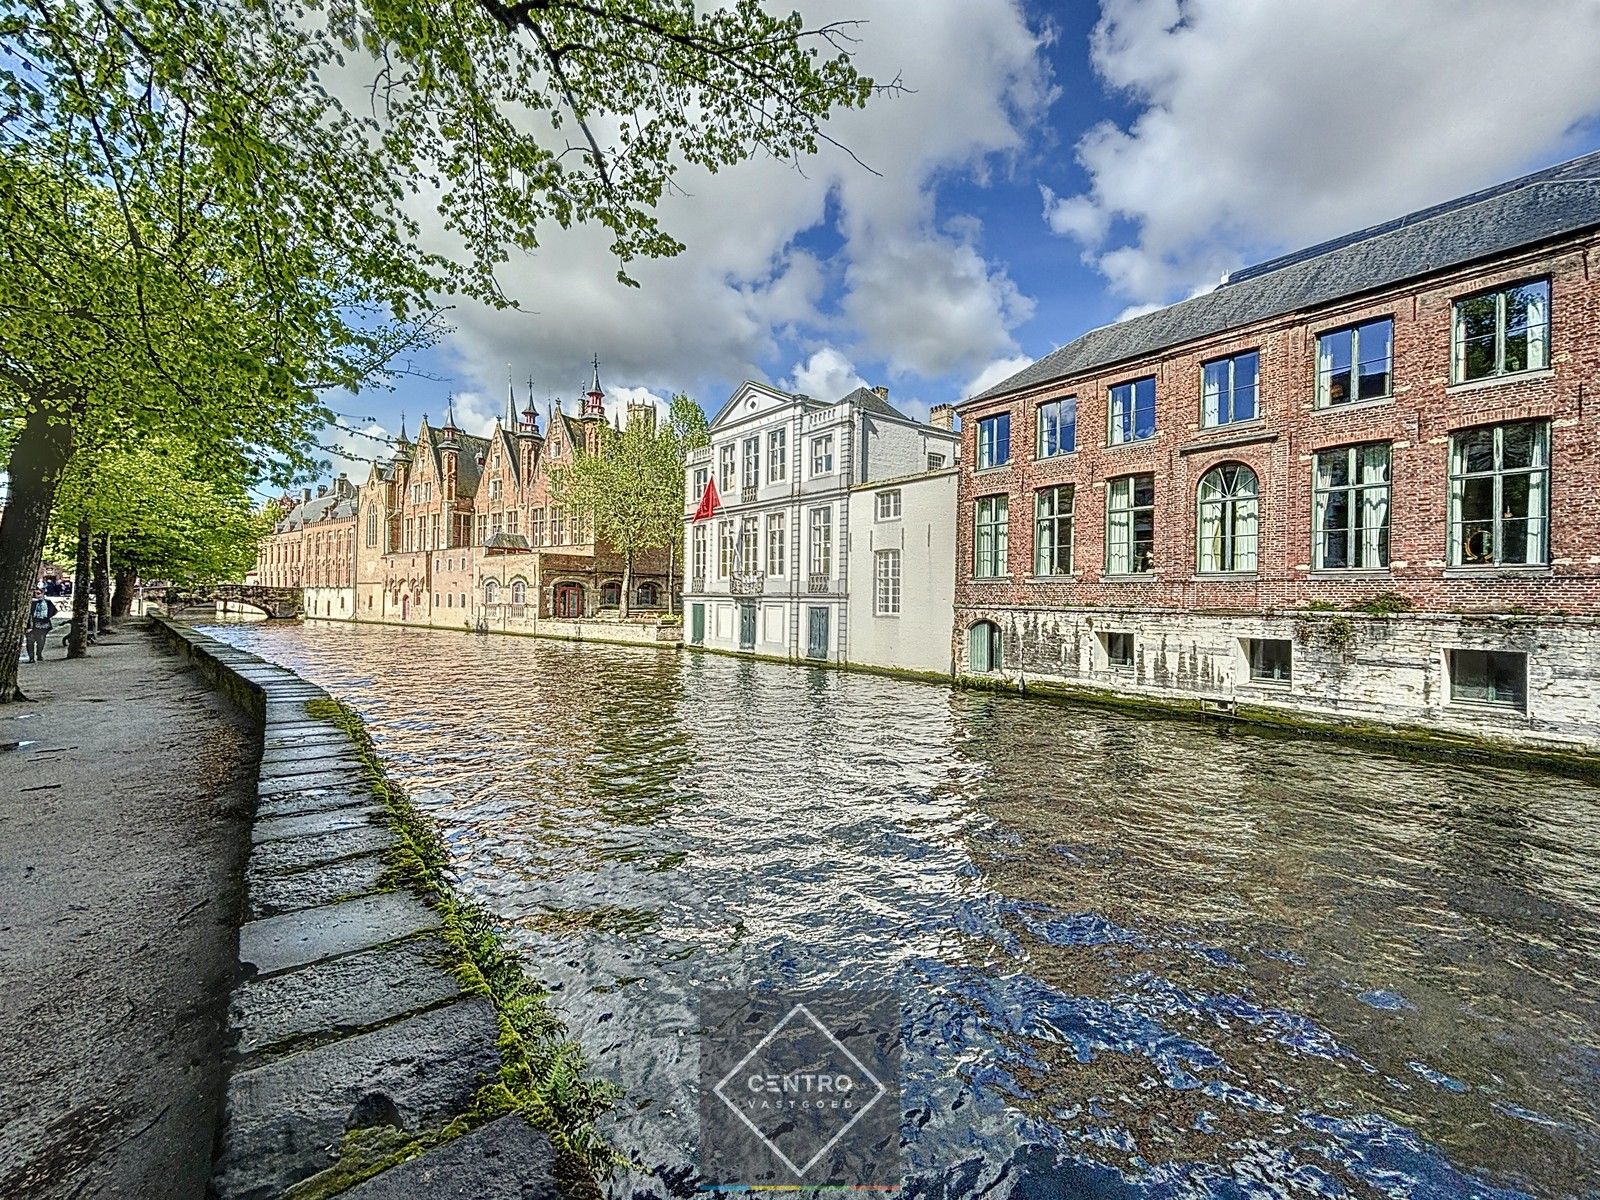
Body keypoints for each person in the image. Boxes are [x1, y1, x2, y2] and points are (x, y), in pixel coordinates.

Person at [25, 587, 57, 663]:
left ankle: (39, 654)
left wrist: (47, 617)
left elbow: (54, 611)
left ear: (42, 594)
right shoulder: (29, 603)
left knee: (41, 641)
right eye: (34, 593)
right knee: (30, 641)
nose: (36, 595)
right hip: (32, 624)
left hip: (43, 624)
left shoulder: (47, 602)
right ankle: (31, 657)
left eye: (38, 593)